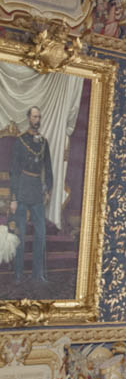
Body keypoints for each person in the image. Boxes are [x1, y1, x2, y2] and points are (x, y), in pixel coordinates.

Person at [11, 105, 52, 287]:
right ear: (29, 118)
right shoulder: (20, 141)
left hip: (36, 190)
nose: (37, 120)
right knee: (20, 233)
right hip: (22, 188)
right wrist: (13, 197)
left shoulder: (44, 142)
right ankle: (18, 273)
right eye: (35, 117)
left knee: (40, 234)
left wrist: (48, 189)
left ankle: (38, 274)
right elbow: (14, 171)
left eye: (39, 117)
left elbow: (48, 169)